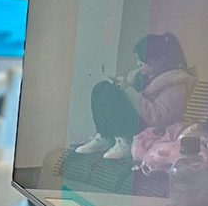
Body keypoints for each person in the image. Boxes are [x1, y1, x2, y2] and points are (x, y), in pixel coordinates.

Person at [76, 31, 195, 161]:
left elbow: (159, 118)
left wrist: (129, 91)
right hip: (140, 122)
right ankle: (105, 137)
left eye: (143, 62)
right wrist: (123, 88)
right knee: (102, 88)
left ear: (160, 60)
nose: (139, 65)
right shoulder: (139, 76)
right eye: (138, 61)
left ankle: (125, 143)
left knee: (111, 93)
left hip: (154, 130)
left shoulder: (175, 84)